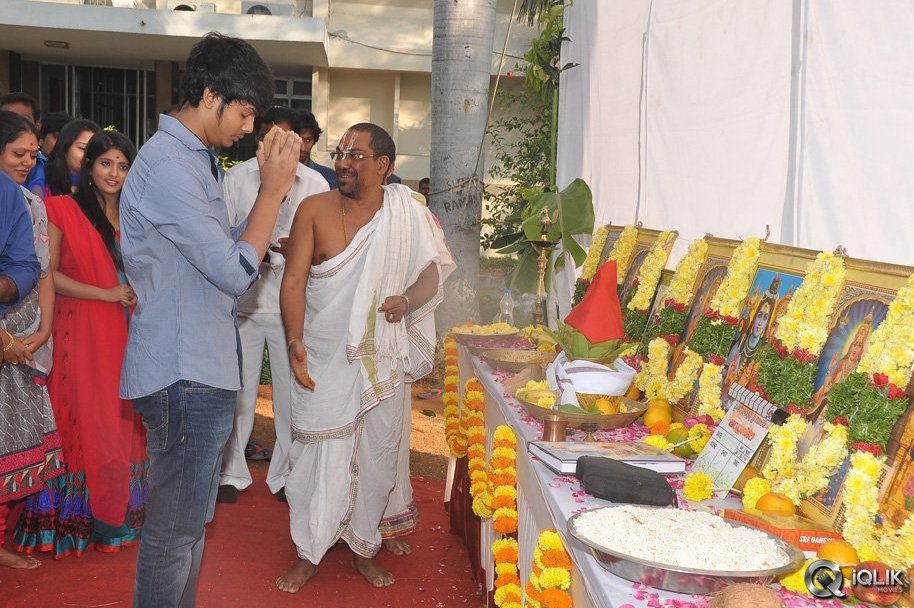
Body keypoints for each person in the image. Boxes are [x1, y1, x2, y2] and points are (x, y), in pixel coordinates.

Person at [118, 33, 301, 607]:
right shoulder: (171, 163)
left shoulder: (193, 160)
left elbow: (218, 260)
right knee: (174, 533)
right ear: (209, 93)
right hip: (184, 372)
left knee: (189, 527)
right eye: (244, 112)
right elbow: (231, 272)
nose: (247, 128)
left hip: (197, 366)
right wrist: (273, 193)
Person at [276, 123, 447, 592]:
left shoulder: (407, 213)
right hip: (324, 353)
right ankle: (309, 551)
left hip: (382, 360)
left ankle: (363, 546)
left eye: (356, 155)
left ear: (383, 167)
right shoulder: (313, 209)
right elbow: (293, 281)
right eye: (341, 153)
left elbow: (432, 276)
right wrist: (294, 341)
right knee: (316, 452)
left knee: (377, 453)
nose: (344, 163)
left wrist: (408, 302)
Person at [15, 129, 148, 559]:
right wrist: (104, 293)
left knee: (122, 420)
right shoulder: (60, 209)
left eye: (123, 165)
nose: (114, 173)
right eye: (105, 163)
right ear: (88, 166)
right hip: (80, 329)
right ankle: (74, 521)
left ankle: (114, 514)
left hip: (129, 329)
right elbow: (46, 273)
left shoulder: (134, 215)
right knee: (89, 420)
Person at [217, 108, 329, 504]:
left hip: (293, 307)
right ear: (260, 141)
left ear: (300, 141)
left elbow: (325, 243)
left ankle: (285, 474)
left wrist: (299, 251)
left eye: (289, 138)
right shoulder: (237, 178)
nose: (280, 145)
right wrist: (254, 249)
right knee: (240, 392)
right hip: (246, 302)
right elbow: (221, 235)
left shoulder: (314, 182)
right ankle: (230, 472)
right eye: (271, 138)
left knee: (289, 394)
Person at [0, 119, 50, 568]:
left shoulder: (29, 202)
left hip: (21, 333)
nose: (28, 162)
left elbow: (34, 268)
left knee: (10, 446)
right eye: (19, 153)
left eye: (33, 154)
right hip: (7, 334)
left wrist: (42, 330)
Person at [43, 119, 101, 197]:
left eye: (94, 150)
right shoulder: (42, 184)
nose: (88, 155)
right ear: (65, 148)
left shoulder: (103, 188)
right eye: (83, 148)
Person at [25, 111, 72, 198]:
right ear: (41, 139)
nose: (62, 143)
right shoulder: (33, 166)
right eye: (57, 137)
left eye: (67, 139)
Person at [293, 109, 337, 189]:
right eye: (297, 140)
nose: (302, 148)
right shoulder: (277, 176)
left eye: (308, 140)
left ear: (314, 141)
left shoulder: (329, 178)